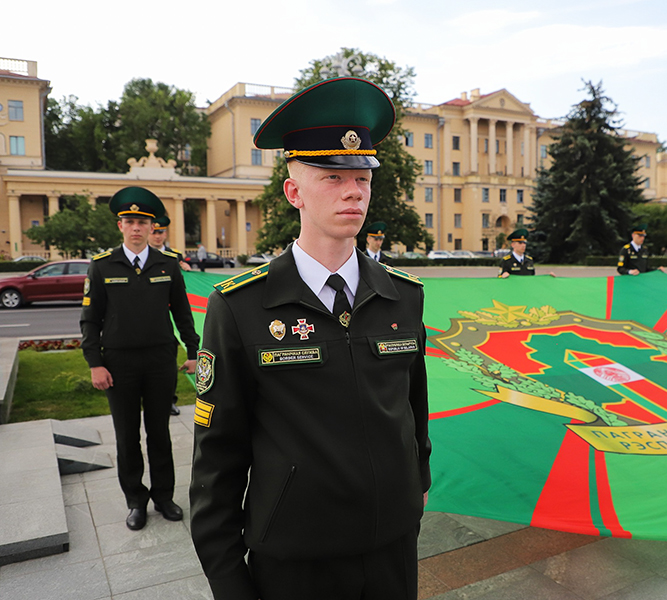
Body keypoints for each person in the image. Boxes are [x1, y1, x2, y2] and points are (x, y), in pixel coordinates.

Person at [190, 77, 431, 600]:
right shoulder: (241, 307)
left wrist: (410, 497)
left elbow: (414, 417)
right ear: (294, 191)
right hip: (297, 561)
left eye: (363, 177)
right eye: (331, 176)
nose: (353, 190)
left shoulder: (403, 298)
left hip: (392, 551)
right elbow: (217, 464)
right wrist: (232, 585)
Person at [80, 186, 199, 531]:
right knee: (126, 436)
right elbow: (90, 319)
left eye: (142, 222)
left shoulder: (168, 265)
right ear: (120, 226)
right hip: (118, 363)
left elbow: (182, 311)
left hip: (160, 360)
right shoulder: (102, 267)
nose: (136, 228)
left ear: (152, 227)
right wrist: (94, 362)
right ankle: (136, 501)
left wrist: (192, 352)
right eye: (130, 221)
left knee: (159, 433)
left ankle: (164, 496)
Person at [149, 215, 191, 417]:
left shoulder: (175, 256)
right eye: (155, 232)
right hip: (151, 316)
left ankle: (169, 401)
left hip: (171, 317)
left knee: (168, 362)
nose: (158, 236)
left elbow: (183, 288)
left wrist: (188, 271)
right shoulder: (142, 256)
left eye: (161, 232)